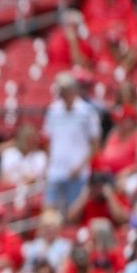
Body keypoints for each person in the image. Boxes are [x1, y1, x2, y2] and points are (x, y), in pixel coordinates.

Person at [43, 72, 101, 215]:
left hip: (78, 172)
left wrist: (80, 166)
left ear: (74, 90)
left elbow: (95, 144)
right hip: (55, 170)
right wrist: (50, 162)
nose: (63, 93)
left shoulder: (87, 112)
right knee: (49, 210)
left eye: (66, 89)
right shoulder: (53, 110)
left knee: (73, 213)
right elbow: (47, 139)